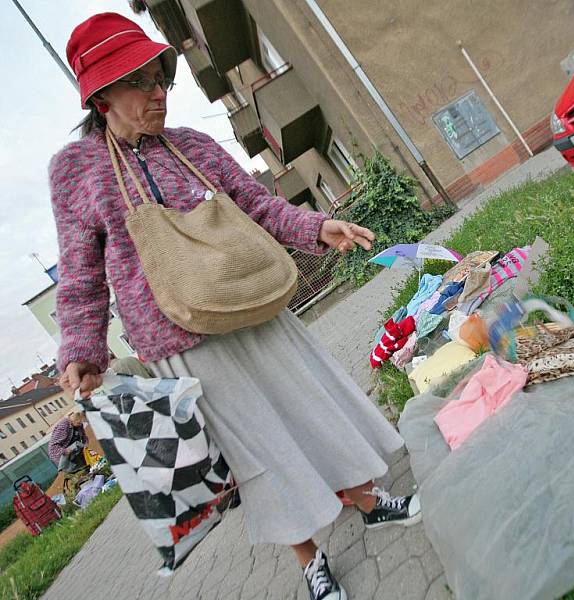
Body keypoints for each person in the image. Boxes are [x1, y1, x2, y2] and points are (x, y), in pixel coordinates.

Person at [53, 13, 419, 600]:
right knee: (256, 449)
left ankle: (367, 499)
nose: (158, 93)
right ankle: (309, 557)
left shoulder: (191, 146)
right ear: (101, 98)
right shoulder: (76, 169)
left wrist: (317, 226)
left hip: (252, 303)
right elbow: (80, 273)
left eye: (161, 79)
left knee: (308, 406)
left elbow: (256, 203)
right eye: (140, 82)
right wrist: (82, 351)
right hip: (178, 337)